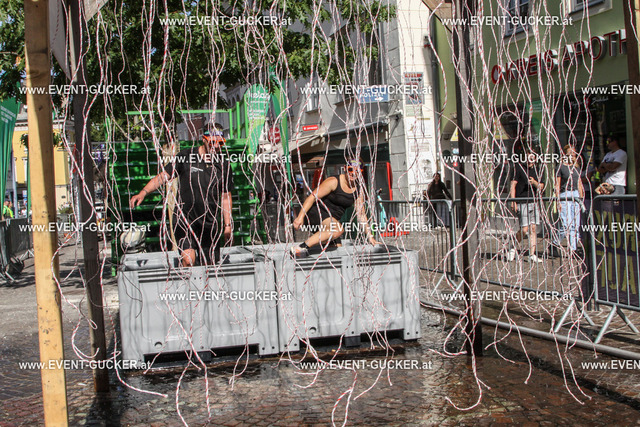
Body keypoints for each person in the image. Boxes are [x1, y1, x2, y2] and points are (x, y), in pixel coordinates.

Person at [130, 124, 233, 267]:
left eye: (220, 143)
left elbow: (226, 196)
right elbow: (163, 176)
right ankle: (186, 279)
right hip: (185, 219)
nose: (216, 146)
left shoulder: (223, 164)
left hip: (209, 222)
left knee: (209, 264)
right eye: (212, 142)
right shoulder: (186, 157)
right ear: (204, 139)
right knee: (188, 260)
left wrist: (227, 225)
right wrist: (143, 192)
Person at [291, 159, 379, 257]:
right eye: (350, 169)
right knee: (337, 230)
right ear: (345, 168)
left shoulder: (358, 190)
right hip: (317, 212)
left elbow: (361, 214)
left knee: (337, 250)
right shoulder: (333, 181)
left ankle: (313, 258)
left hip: (331, 220)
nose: (353, 173)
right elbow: (312, 197)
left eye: (357, 171)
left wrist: (370, 237)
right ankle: (300, 248)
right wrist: (300, 217)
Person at [508, 151, 545, 263]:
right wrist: (513, 201)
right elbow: (513, 185)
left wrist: (534, 182)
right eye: (529, 157)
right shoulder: (519, 168)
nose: (530, 159)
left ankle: (532, 254)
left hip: (534, 201)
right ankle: (512, 247)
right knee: (524, 229)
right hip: (522, 201)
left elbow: (541, 186)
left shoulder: (538, 170)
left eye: (533, 157)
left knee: (533, 228)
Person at [549, 145, 585, 257]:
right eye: (570, 152)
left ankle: (573, 250)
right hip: (565, 195)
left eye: (574, 153)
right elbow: (557, 185)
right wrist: (558, 200)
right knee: (565, 225)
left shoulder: (576, 167)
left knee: (575, 224)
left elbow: (579, 183)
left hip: (575, 195)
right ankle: (554, 243)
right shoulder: (560, 167)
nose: (572, 155)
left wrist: (581, 198)